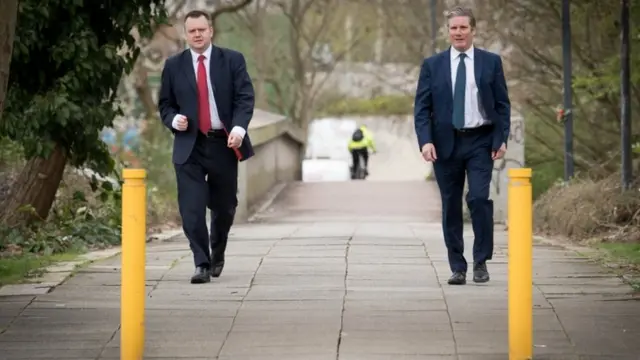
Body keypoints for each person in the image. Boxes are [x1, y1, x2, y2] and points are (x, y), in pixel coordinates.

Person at [413, 6, 510, 285]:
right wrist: (425, 141)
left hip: (480, 141)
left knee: (479, 199)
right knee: (450, 206)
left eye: (463, 28)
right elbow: (422, 108)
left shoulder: (491, 62)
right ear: (448, 31)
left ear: (473, 30)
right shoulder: (433, 65)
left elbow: (502, 105)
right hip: (445, 144)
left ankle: (481, 261)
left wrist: (500, 138)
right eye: (454, 28)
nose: (458, 33)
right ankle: (458, 266)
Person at [157, 10, 255, 284]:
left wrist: (238, 129)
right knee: (192, 209)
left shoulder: (232, 60)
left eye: (202, 29)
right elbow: (165, 104)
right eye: (192, 31)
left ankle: (217, 252)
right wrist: (173, 119)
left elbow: (245, 97)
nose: (197, 34)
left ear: (211, 31)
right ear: (185, 34)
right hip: (190, 146)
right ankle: (201, 263)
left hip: (223, 143)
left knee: (224, 207)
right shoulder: (174, 66)